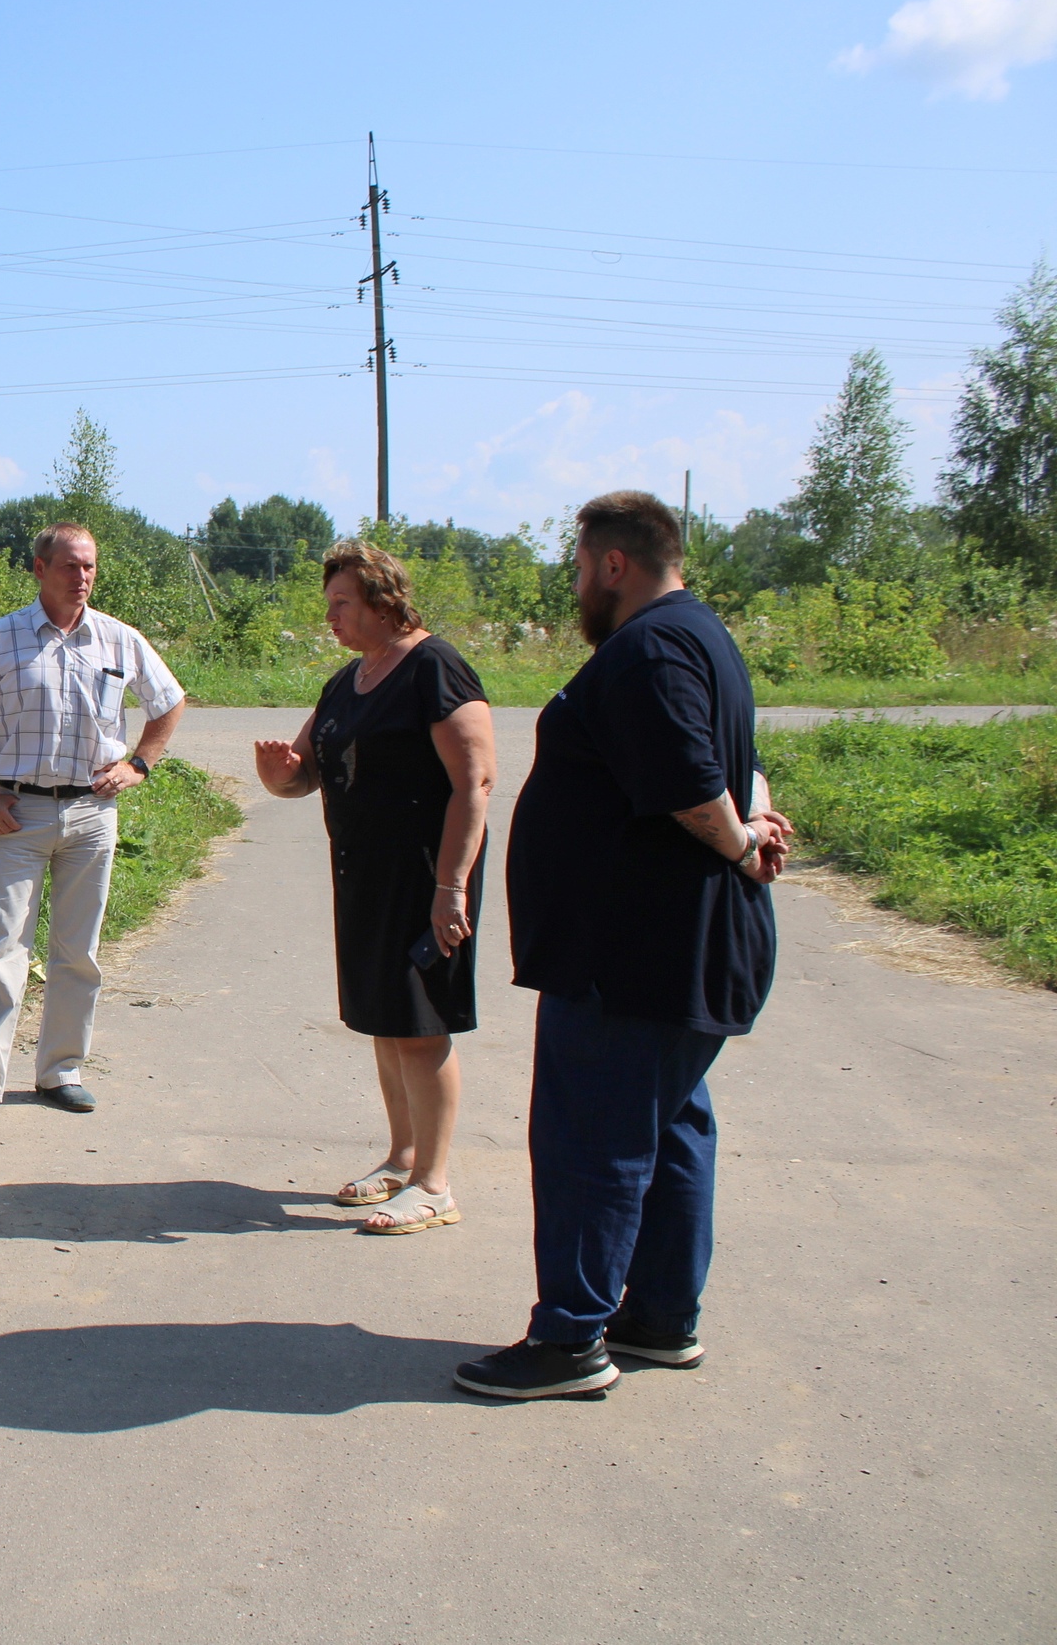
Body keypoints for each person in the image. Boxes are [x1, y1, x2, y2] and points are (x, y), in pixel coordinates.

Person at [455, 491, 790, 1400]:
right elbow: (733, 760)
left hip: (632, 954)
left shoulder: (647, 648)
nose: (575, 587)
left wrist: (741, 839)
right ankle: (658, 1317)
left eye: (577, 568)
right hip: (673, 951)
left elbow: (688, 776)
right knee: (669, 1125)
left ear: (612, 564)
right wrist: (751, 817)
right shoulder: (701, 636)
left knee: (593, 1142)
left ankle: (570, 1340)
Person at [253, 541, 494, 1235]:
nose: (331, 616)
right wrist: (276, 773)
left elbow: (474, 780)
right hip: (364, 876)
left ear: (384, 600)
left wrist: (451, 885)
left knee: (421, 1026)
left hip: (423, 874)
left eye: (342, 603)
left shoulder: (434, 668)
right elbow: (303, 774)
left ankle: (434, 1184)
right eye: (328, 603)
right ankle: (402, 1156)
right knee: (386, 1025)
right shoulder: (347, 680)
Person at [0, 522, 187, 1125]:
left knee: (79, 951)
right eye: (70, 566)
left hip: (93, 813)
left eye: (91, 567)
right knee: (2, 948)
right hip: (17, 814)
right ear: (40, 569)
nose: (82, 578)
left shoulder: (119, 641)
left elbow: (170, 701)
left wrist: (140, 765)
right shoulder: (1, 639)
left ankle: (61, 1071)